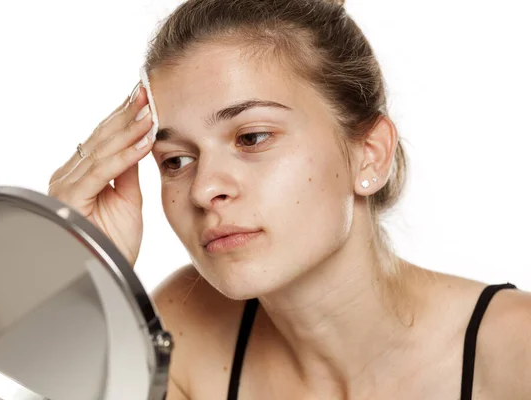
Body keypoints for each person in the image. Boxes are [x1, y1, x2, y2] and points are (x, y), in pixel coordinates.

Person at [47, 0, 531, 398]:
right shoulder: (184, 334)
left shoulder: (517, 352)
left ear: (369, 155)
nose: (202, 189)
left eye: (252, 137)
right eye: (175, 160)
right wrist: (84, 277)